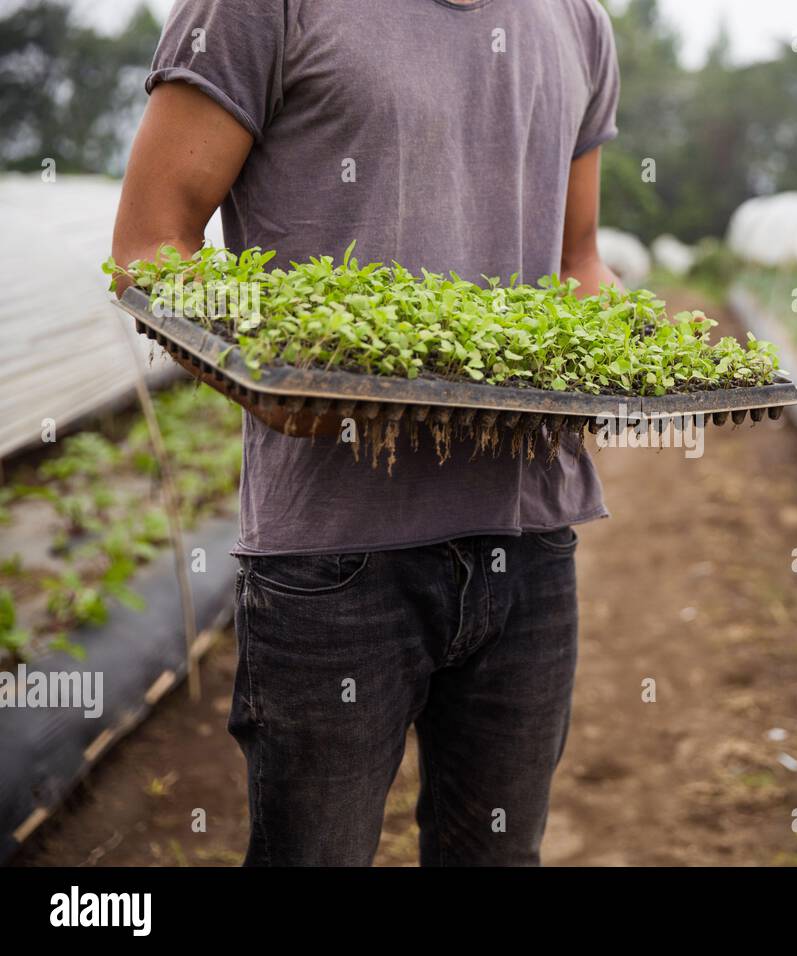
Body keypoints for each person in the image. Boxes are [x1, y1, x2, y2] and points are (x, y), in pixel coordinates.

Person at [111, 0, 621, 866]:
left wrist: (631, 355)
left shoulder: (578, 21)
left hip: (529, 541)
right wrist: (269, 378)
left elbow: (578, 261)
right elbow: (151, 247)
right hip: (334, 563)